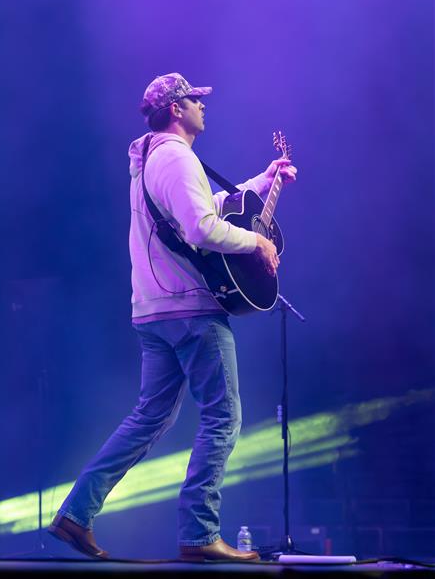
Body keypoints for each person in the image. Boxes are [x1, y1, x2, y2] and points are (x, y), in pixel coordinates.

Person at [48, 73, 297, 561]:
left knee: (148, 418)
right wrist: (257, 241)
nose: (203, 106)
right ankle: (201, 533)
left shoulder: (151, 159)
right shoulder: (177, 156)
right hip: (190, 308)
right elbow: (202, 228)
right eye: (195, 100)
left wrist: (260, 182)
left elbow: (197, 210)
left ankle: (76, 513)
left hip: (154, 309)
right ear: (177, 109)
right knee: (224, 417)